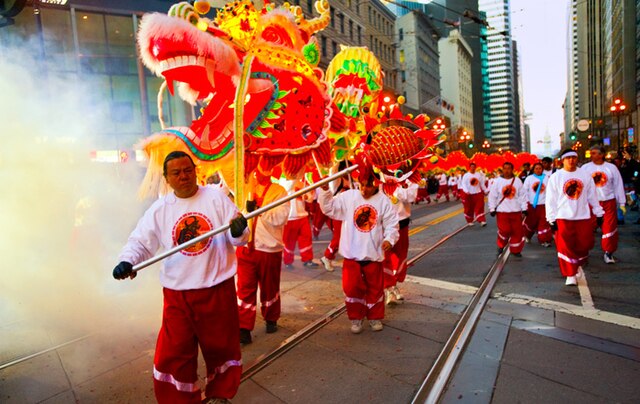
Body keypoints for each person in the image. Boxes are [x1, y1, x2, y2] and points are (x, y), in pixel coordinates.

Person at [113, 151, 249, 403]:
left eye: (187, 170)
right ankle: (180, 399)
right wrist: (127, 261)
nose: (183, 176)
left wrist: (240, 231)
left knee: (221, 346)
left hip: (216, 287)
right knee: (175, 352)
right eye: (176, 173)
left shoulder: (216, 198)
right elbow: (141, 242)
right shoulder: (160, 209)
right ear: (167, 178)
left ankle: (220, 394)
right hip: (178, 294)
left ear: (195, 171)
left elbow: (238, 237)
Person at [318, 172, 399, 333]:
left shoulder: (384, 201)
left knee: (375, 289)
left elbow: (392, 224)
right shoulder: (349, 197)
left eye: (368, 185)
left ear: (376, 184)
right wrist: (326, 191)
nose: (364, 189)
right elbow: (330, 208)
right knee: (352, 288)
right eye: (361, 184)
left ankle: (375, 317)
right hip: (351, 254)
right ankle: (356, 318)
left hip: (373, 254)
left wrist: (389, 239)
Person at [236, 168, 289, 345]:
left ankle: (271, 318)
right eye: (257, 166)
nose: (260, 171)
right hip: (245, 248)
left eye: (265, 165)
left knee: (270, 286)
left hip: (268, 249)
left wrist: (259, 209)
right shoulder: (244, 186)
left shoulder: (279, 191)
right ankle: (244, 327)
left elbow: (280, 218)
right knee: (244, 289)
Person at [546, 149, 604, 286]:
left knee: (585, 244)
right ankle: (570, 274)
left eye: (573, 157)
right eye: (568, 158)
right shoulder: (556, 177)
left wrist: (599, 212)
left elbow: (592, 196)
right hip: (563, 217)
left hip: (582, 216)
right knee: (565, 246)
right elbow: (550, 200)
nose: (571, 160)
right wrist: (551, 218)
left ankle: (577, 264)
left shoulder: (585, 175)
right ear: (562, 160)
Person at [581, 145, 626, 263]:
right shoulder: (585, 168)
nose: (592, 155)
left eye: (594, 153)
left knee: (609, 227)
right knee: (587, 227)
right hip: (591, 203)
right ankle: (584, 250)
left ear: (602, 155)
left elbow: (618, 185)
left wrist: (622, 202)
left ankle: (608, 252)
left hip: (608, 202)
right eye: (591, 153)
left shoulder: (611, 168)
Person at [383, 181, 418, 305]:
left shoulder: (409, 177)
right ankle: (389, 287)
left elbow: (411, 196)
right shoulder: (378, 176)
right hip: (383, 225)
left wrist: (396, 185)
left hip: (401, 224)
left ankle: (394, 283)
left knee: (400, 257)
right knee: (384, 257)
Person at [488, 162, 528, 257]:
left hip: (516, 211)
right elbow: (492, 196)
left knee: (517, 232)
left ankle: (516, 250)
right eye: (505, 168)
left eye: (509, 168)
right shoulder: (497, 181)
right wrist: (492, 208)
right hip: (502, 212)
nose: (507, 170)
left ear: (512, 169)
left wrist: (524, 208)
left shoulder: (517, 181)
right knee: (504, 230)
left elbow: (522, 196)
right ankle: (501, 245)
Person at [281, 179, 319, 268]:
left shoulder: (302, 183)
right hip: (290, 218)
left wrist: (307, 195)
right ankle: (288, 261)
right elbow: (288, 186)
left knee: (306, 237)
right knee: (289, 241)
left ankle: (307, 259)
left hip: (302, 216)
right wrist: (293, 178)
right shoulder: (283, 182)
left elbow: (310, 199)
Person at [319, 175, 350, 272]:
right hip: (339, 211)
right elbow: (333, 170)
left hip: (351, 213)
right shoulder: (337, 179)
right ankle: (327, 257)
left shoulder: (353, 178)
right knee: (339, 237)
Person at [522, 162, 553, 247]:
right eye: (536, 168)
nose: (538, 170)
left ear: (542, 169)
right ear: (533, 169)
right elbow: (524, 192)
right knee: (531, 223)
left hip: (544, 205)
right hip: (531, 205)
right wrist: (526, 202)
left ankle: (545, 240)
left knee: (544, 223)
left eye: (540, 168)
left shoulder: (547, 178)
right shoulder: (529, 179)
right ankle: (527, 235)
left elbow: (550, 191)